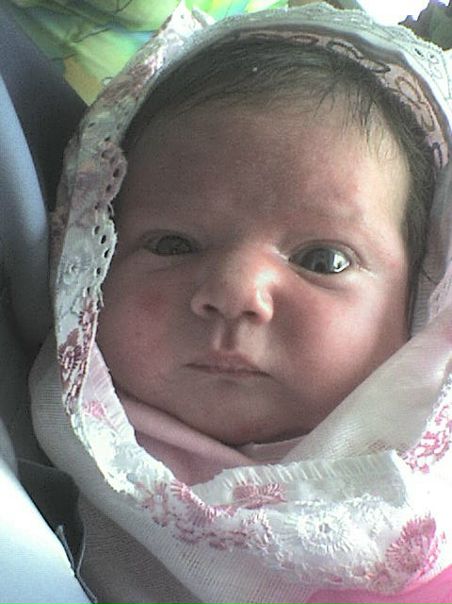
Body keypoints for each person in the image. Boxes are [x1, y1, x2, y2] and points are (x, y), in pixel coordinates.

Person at [30, 2, 452, 602]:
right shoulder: (48, 437)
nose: (233, 293)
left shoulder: (425, 482)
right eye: (173, 244)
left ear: (421, 302)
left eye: (323, 260)